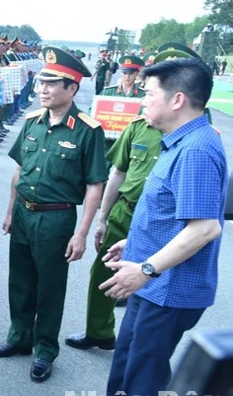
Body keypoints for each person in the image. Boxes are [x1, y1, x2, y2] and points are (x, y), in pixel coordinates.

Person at [87, 56, 228, 396]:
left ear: (177, 99)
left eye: (148, 94)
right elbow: (171, 215)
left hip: (168, 286)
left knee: (145, 372)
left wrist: (146, 268)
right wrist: (134, 244)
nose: (142, 101)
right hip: (152, 281)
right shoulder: (180, 141)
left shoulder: (196, 150)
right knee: (129, 359)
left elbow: (204, 228)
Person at [0, 46, 107, 383]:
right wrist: (10, 211)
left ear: (72, 88)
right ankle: (19, 337)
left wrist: (81, 233)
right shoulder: (31, 122)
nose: (43, 89)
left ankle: (45, 350)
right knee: (20, 281)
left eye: (52, 83)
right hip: (24, 212)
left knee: (50, 288)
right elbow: (19, 170)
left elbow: (95, 185)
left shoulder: (87, 130)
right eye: (42, 82)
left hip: (56, 219)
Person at [65, 49, 195, 354]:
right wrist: (102, 216)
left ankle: (140, 345)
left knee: (154, 279)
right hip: (126, 212)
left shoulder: (192, 136)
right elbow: (118, 173)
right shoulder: (138, 127)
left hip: (166, 221)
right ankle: (99, 332)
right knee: (104, 271)